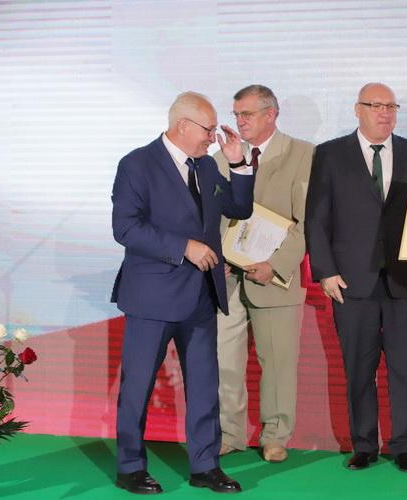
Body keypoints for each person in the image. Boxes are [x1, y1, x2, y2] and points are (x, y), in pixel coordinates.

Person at [111, 91, 254, 494]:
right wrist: (183, 247)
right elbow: (125, 227)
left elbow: (239, 209)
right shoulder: (137, 164)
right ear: (182, 125)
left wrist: (238, 163)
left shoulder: (207, 165)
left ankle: (205, 466)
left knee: (205, 388)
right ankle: (130, 467)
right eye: (208, 129)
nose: (213, 136)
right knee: (138, 387)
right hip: (151, 299)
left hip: (200, 297)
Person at [305, 83, 407, 473]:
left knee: (404, 366)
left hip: (405, 278)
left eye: (391, 106)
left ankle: (404, 446)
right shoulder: (330, 154)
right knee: (358, 367)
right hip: (350, 280)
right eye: (376, 105)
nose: (385, 113)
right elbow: (317, 217)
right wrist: (325, 271)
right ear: (357, 109)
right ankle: (364, 444)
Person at [214, 85, 313, 462]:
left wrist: (277, 265)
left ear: (271, 114)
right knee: (224, 360)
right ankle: (229, 433)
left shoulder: (303, 154)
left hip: (274, 276)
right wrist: (216, 253)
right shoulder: (220, 157)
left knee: (278, 362)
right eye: (237, 114)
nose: (240, 121)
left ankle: (275, 436)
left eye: (248, 114)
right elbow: (211, 215)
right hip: (226, 278)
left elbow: (308, 222)